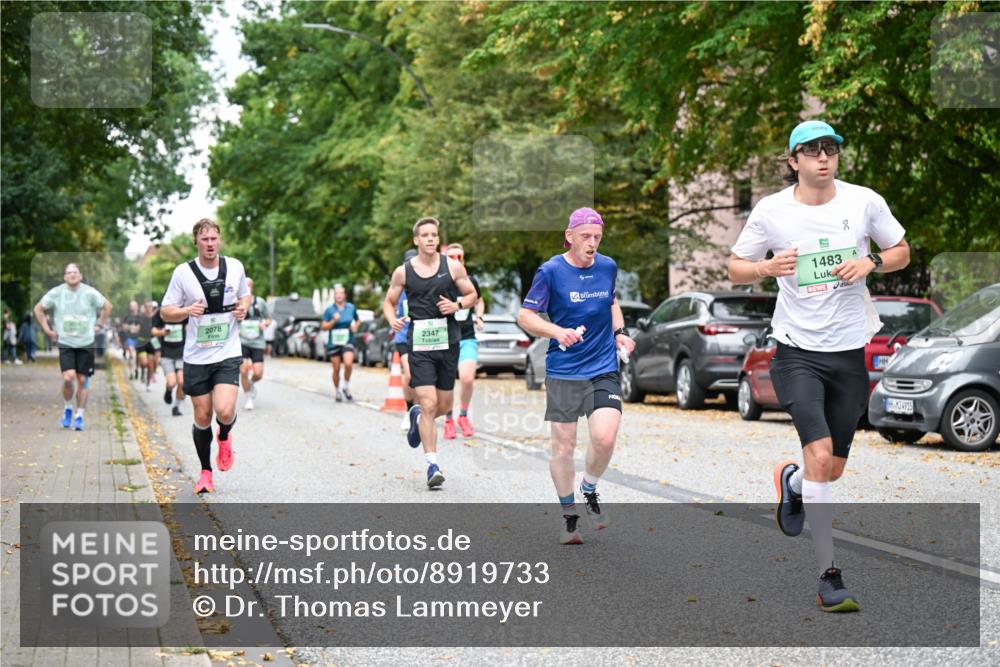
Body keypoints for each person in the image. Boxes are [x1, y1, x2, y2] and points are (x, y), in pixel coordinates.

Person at [729, 120, 910, 613]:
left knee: (831, 470)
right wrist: (767, 268)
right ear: (794, 161)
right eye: (811, 152)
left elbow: (901, 251)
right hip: (795, 350)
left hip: (849, 351)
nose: (823, 158)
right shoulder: (772, 211)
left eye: (830, 149)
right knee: (820, 451)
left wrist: (871, 262)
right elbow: (735, 267)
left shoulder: (863, 202)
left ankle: (791, 484)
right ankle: (830, 575)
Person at [517, 208, 635, 545]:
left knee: (605, 437)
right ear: (569, 236)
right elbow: (526, 316)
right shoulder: (551, 271)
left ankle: (590, 487)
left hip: (602, 367)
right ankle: (569, 515)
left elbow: (611, 301)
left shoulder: (608, 267)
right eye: (586, 236)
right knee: (564, 446)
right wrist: (557, 332)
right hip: (565, 370)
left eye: (597, 237)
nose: (592, 243)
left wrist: (621, 333)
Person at [383, 217, 478, 488]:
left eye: (434, 235)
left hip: (448, 342)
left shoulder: (453, 266)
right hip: (420, 345)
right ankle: (432, 465)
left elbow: (472, 294)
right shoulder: (403, 272)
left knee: (444, 405)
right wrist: (392, 320)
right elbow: (389, 302)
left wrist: (458, 304)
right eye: (424, 235)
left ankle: (417, 419)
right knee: (428, 403)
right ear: (416, 240)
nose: (430, 239)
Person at [160, 219, 251, 494]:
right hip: (197, 357)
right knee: (202, 416)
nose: (210, 244)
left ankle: (224, 436)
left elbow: (246, 297)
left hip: (227, 352)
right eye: (204, 239)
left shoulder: (234, 267)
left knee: (224, 411)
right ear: (196, 242)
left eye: (214, 239)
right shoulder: (183, 273)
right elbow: (166, 311)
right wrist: (187, 311)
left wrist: (243, 308)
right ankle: (205, 473)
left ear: (219, 240)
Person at [33, 263, 113, 430]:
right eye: (69, 272)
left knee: (83, 381)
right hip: (66, 343)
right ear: (64, 277)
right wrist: (47, 329)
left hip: (86, 343)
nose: (72, 275)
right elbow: (38, 309)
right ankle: (68, 408)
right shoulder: (57, 292)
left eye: (75, 272)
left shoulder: (89, 292)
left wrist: (99, 325)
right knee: (68, 378)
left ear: (80, 275)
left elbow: (107, 306)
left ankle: (80, 415)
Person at [442, 243, 484, 439]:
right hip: (447, 339)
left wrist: (479, 316)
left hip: (467, 337)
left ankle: (463, 416)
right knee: (448, 382)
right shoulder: (442, 282)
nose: (456, 260)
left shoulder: (471, 281)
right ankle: (448, 419)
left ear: (463, 259)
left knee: (467, 378)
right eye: (451, 257)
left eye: (459, 257)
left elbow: (479, 300)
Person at [321, 284, 361, 402]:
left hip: (348, 339)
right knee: (336, 368)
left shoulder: (351, 308)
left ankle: (346, 386)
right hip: (334, 342)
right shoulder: (329, 310)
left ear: (344, 295)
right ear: (334, 296)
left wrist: (355, 326)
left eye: (341, 293)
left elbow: (358, 320)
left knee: (348, 364)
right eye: (336, 293)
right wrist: (333, 320)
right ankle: (337, 390)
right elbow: (324, 327)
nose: (339, 295)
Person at [239, 278, 271, 410]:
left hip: (257, 342)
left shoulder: (260, 302)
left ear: (252, 288)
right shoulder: (237, 302)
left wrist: (265, 323)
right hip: (242, 342)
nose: (246, 288)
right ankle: (248, 398)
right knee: (244, 371)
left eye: (249, 286)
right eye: (244, 286)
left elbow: (269, 318)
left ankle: (252, 384)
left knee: (258, 373)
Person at [394, 250, 418, 430]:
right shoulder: (399, 285)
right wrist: (393, 320)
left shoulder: (426, 284)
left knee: (423, 377)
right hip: (403, 336)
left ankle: (420, 411)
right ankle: (409, 411)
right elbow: (388, 303)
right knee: (409, 374)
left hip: (423, 336)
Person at [151, 300, 187, 417]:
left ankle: (176, 406)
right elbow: (152, 330)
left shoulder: (183, 309)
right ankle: (169, 390)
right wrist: (162, 332)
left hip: (182, 352)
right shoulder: (161, 312)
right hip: (167, 353)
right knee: (172, 382)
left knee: (181, 381)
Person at [122, 300, 141, 379]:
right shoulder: (127, 317)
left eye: (134, 306)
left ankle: (136, 369)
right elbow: (124, 328)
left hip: (138, 338)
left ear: (137, 307)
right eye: (131, 306)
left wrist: (131, 327)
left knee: (137, 356)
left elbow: (140, 328)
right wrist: (133, 327)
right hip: (130, 338)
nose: (132, 307)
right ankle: (131, 372)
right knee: (131, 355)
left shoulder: (140, 316)